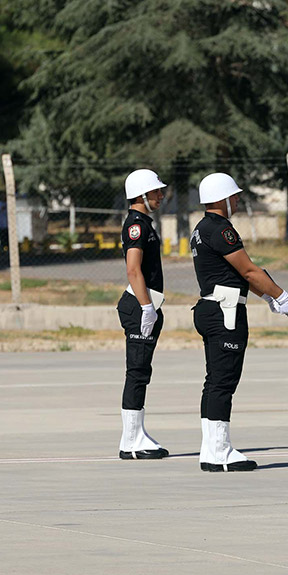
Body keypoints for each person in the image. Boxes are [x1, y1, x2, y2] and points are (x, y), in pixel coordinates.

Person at [191, 172, 288, 472]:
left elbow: (237, 274)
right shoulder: (222, 230)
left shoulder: (201, 228)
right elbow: (249, 271)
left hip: (211, 307)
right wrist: (281, 295)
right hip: (225, 312)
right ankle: (220, 450)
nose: (237, 200)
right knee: (224, 381)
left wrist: (267, 297)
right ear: (222, 199)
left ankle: (211, 448)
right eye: (234, 196)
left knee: (214, 381)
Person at [116, 169, 170, 460]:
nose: (161, 196)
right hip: (139, 305)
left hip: (145, 303)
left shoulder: (144, 223)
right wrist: (146, 307)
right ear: (141, 195)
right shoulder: (136, 226)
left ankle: (137, 433)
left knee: (142, 372)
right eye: (156, 192)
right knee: (136, 372)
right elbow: (133, 269)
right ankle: (130, 440)